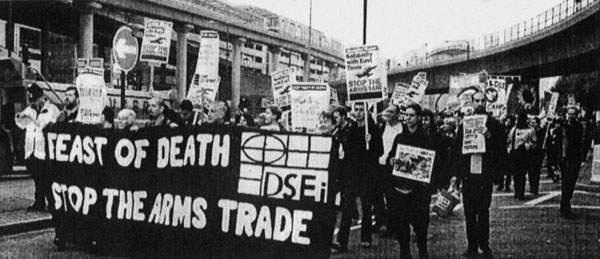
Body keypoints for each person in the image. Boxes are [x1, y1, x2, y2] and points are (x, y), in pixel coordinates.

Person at [451, 92, 504, 258]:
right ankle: (472, 245)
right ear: (472, 103)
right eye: (477, 101)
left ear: (486, 103)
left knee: (483, 212)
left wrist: (489, 136)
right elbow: (457, 151)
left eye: (482, 101)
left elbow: (501, 149)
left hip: (484, 175)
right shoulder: (465, 124)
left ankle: (484, 244)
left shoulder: (494, 124)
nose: (480, 103)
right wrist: (456, 175)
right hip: (469, 175)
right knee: (469, 213)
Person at [387, 103, 437, 259]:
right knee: (402, 223)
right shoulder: (400, 137)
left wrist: (429, 182)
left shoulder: (427, 139)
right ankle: (405, 252)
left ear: (419, 117)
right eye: (406, 115)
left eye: (411, 115)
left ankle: (422, 250)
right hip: (401, 187)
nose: (408, 119)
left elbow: (434, 163)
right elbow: (391, 156)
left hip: (419, 189)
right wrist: (392, 161)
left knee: (421, 223)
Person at [14, 83, 60, 212]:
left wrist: (44, 124)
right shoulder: (30, 110)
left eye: (36, 99)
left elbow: (54, 127)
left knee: (46, 178)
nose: (35, 103)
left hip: (44, 150)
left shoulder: (52, 110)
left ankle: (52, 203)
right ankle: (39, 202)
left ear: (42, 97)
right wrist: (20, 116)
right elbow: (20, 123)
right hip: (31, 150)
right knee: (37, 178)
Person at [331, 105, 360, 253]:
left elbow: (352, 150)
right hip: (340, 172)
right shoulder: (337, 130)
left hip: (351, 173)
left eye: (336, 117)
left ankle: (342, 241)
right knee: (342, 204)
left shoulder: (353, 129)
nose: (334, 120)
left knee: (347, 205)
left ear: (343, 116)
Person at [376, 104, 404, 233]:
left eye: (392, 112)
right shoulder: (382, 127)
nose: (388, 114)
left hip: (393, 166)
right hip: (380, 164)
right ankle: (380, 221)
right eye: (387, 111)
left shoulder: (402, 129)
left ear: (398, 115)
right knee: (378, 195)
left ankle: (392, 226)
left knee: (392, 197)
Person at [559, 106, 584, 219]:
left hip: (575, 157)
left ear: (577, 115)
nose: (570, 116)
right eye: (569, 114)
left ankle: (565, 202)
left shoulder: (579, 126)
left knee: (572, 180)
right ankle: (565, 205)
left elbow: (582, 141)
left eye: (573, 114)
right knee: (566, 181)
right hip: (565, 157)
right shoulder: (563, 126)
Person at [507, 112, 536, 200]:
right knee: (515, 174)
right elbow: (509, 140)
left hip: (524, 154)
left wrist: (527, 146)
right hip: (515, 154)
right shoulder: (514, 129)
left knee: (522, 174)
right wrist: (509, 150)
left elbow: (534, 142)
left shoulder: (530, 130)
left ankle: (521, 192)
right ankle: (517, 191)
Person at [498, 115, 516, 192]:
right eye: (506, 121)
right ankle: (501, 184)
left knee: (508, 171)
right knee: (501, 170)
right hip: (502, 152)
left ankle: (507, 185)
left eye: (509, 121)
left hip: (509, 152)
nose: (507, 123)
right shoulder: (501, 129)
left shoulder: (512, 130)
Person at [528, 117, 545, 195]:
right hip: (530, 154)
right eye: (531, 122)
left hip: (538, 153)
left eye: (534, 122)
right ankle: (532, 186)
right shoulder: (530, 131)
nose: (532, 124)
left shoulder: (542, 131)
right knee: (530, 171)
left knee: (536, 171)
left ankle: (535, 187)